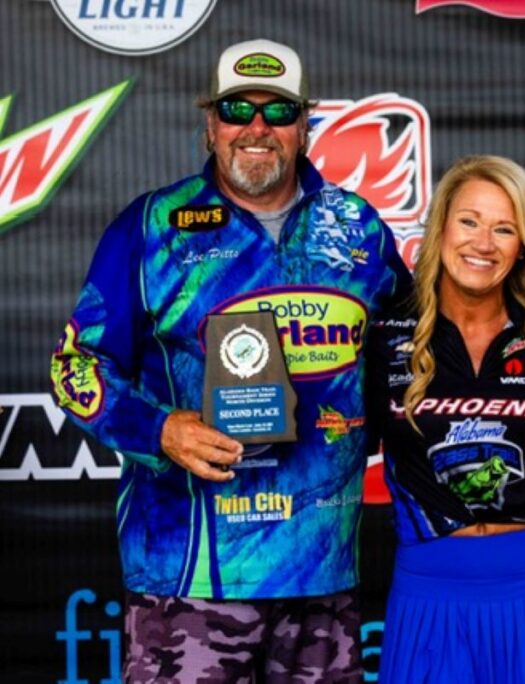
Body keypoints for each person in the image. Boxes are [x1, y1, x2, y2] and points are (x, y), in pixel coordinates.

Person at [49, 38, 410, 681]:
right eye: (238, 109)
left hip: (321, 575)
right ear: (211, 122)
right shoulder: (153, 227)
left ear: (305, 124)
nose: (256, 128)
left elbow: (408, 348)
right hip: (188, 581)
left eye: (278, 111)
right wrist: (160, 430)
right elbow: (75, 367)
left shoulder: (357, 227)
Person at [365, 155, 525, 683]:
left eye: (504, 228)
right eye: (469, 221)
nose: (483, 243)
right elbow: (332, 442)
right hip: (431, 592)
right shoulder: (385, 336)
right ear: (440, 227)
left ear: (523, 245)